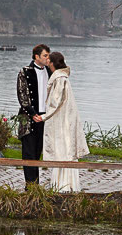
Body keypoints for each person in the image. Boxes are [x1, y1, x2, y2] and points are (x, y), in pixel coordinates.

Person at [33, 52, 89, 192]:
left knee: (61, 151)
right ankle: (65, 183)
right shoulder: (63, 78)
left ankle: (62, 185)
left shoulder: (59, 79)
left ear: (52, 63)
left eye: (48, 59)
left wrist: (44, 117)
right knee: (65, 151)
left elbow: (55, 102)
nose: (46, 61)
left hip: (61, 121)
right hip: (65, 119)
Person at [17, 44, 51, 186]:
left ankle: (34, 184)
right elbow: (22, 94)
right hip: (28, 116)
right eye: (45, 55)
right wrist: (32, 113)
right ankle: (30, 185)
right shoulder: (25, 72)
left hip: (45, 117)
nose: (48, 58)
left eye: (48, 55)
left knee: (37, 151)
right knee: (29, 152)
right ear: (37, 57)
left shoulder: (51, 72)